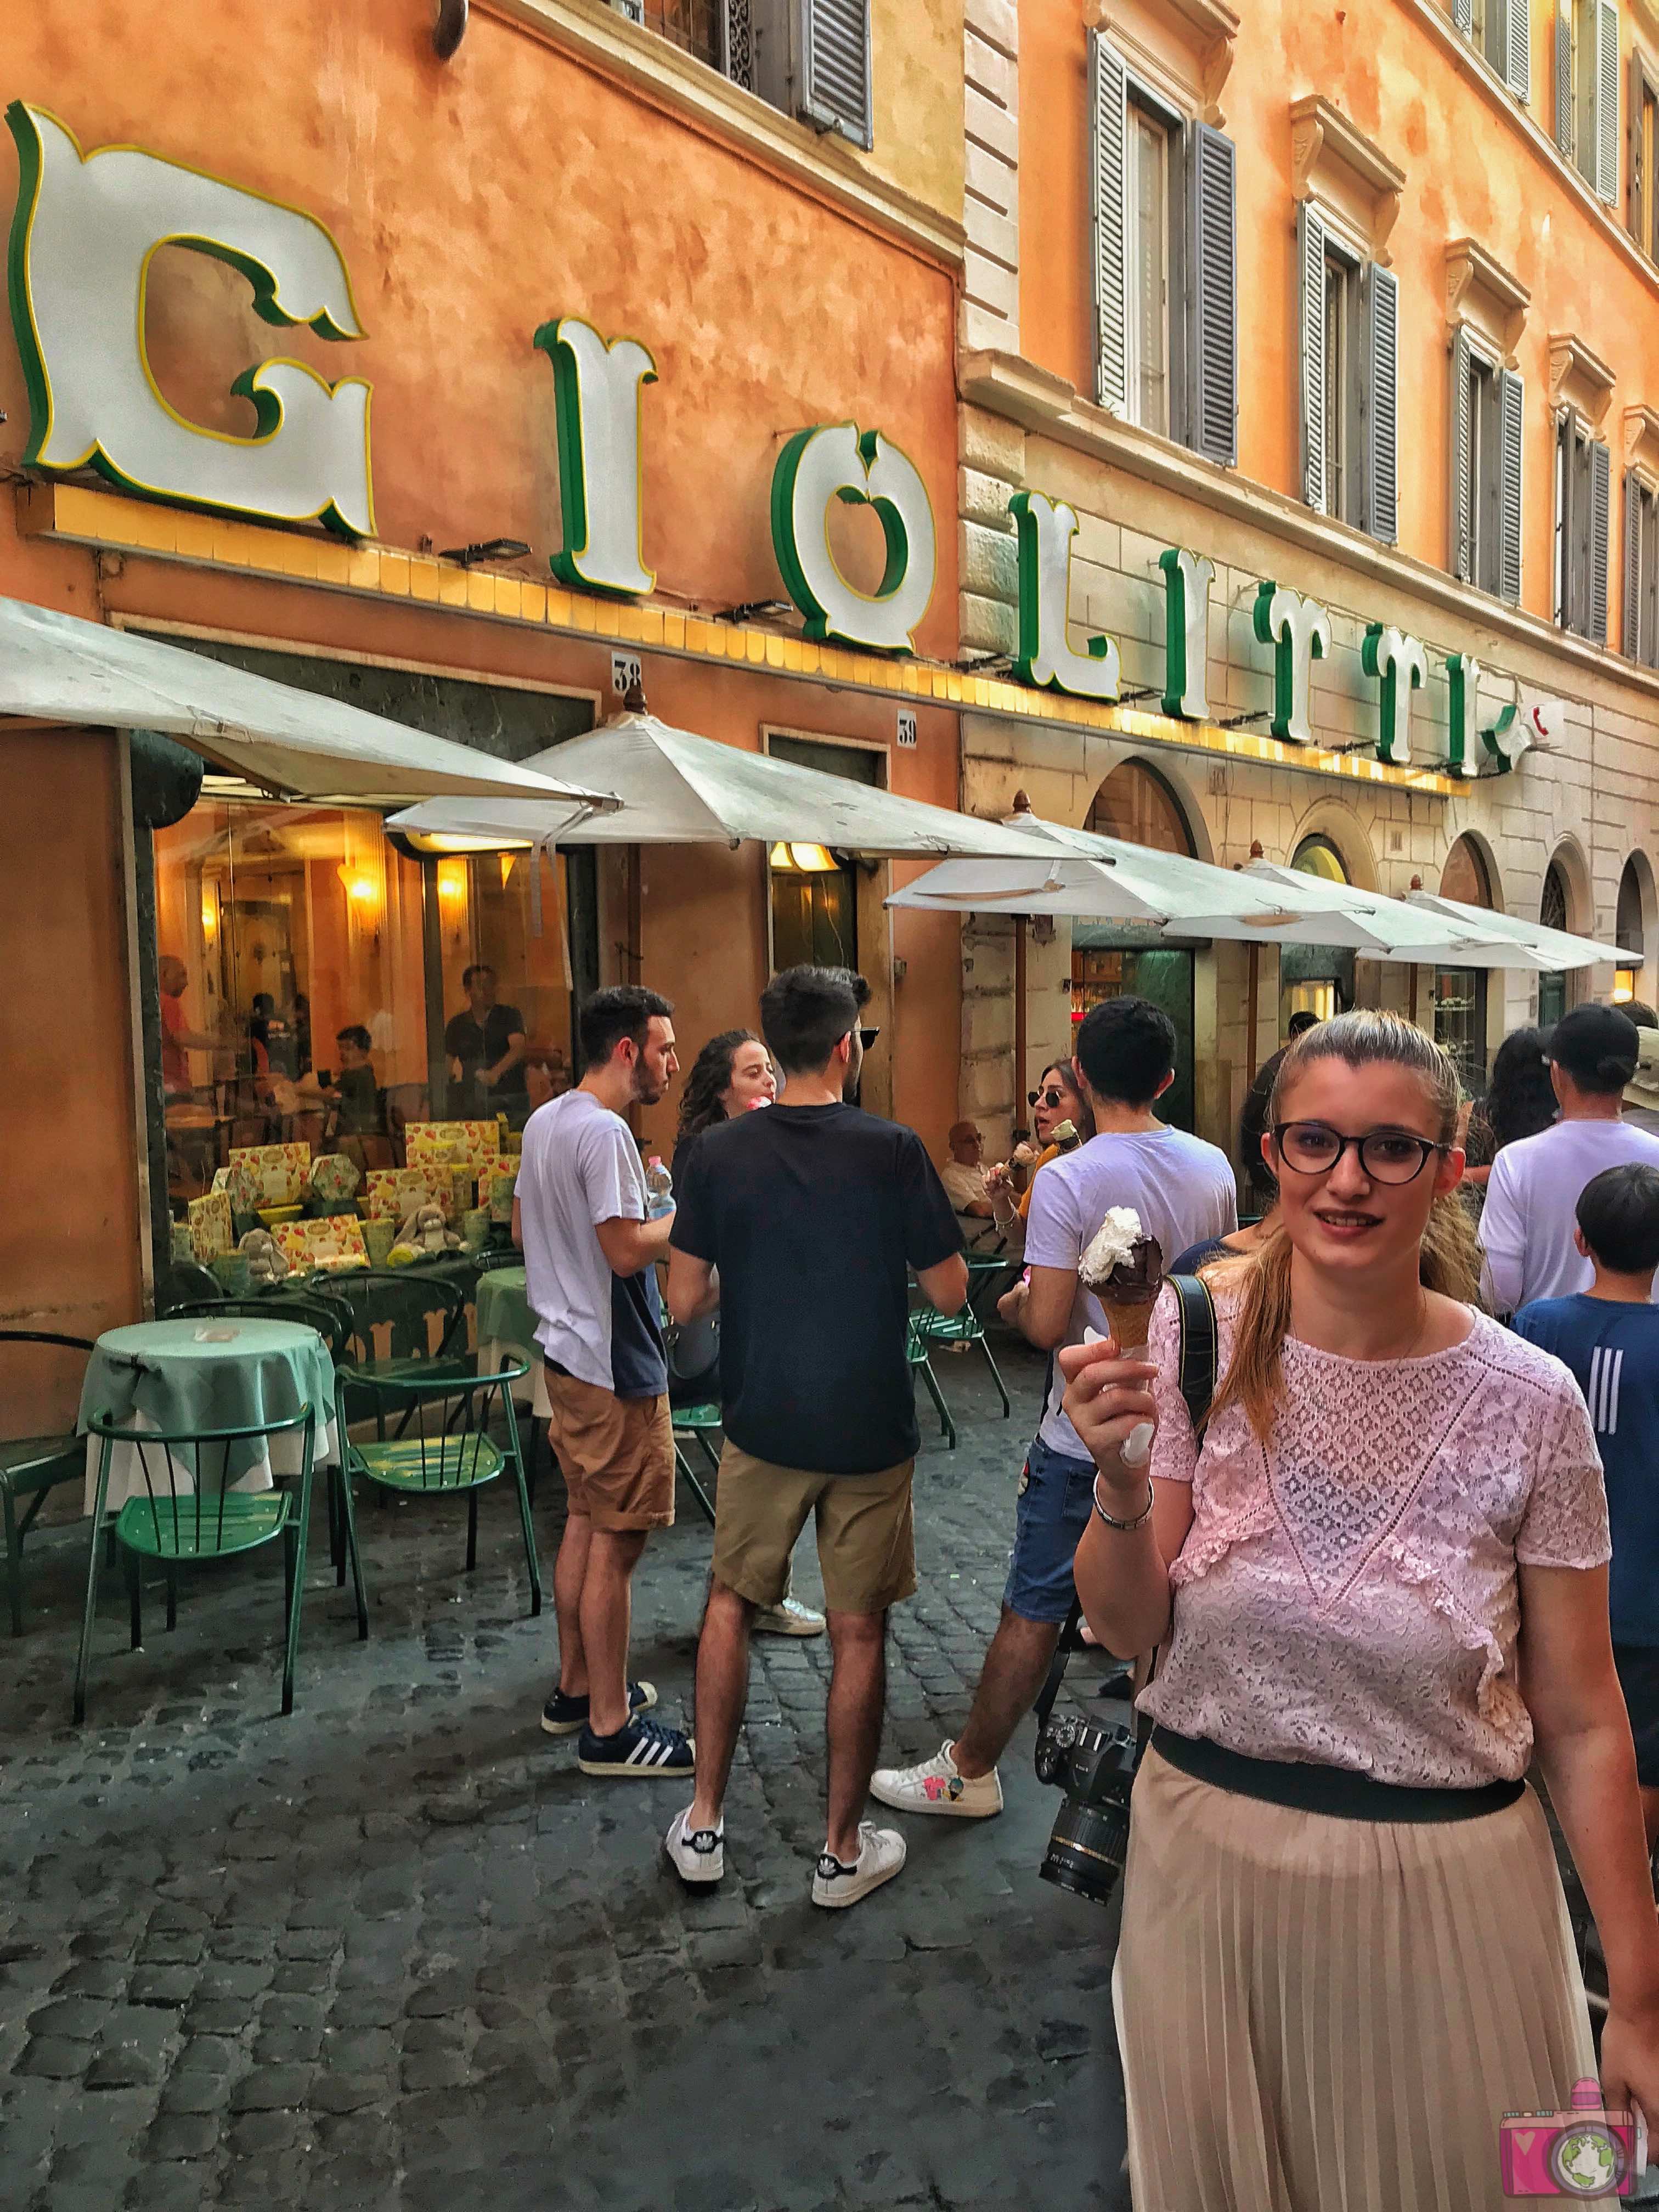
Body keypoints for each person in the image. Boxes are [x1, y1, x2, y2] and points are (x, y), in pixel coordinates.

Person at [1064, 1011, 1659, 2208]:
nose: (1347, 1178)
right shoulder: (1191, 1340)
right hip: (1204, 1885)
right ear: (1272, 1155)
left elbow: (1586, 1717)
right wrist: (1120, 1482)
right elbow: (1128, 1631)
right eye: (1314, 1142)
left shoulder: (1530, 1400)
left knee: (1501, 2186)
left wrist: (1640, 2001)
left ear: (1448, 1168)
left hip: (1454, 1903)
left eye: (1389, 1149)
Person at [870, 995, 1235, 1822]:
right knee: (1165, 1596)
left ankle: (970, 1768)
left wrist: (1011, 1307)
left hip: (1090, 1428)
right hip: (1187, 1417)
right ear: (1168, 1079)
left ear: (1079, 1076)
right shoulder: (1214, 1166)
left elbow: (1045, 1323)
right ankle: (1162, 1776)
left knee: (1034, 1603)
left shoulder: (1071, 1175)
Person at [665, 965, 967, 1904]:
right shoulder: (891, 1150)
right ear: (845, 1046)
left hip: (760, 1419)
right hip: (867, 1426)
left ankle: (704, 1820)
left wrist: (750, 1269)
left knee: (728, 1603)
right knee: (857, 1630)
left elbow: (680, 1299)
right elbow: (953, 1293)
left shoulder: (717, 1156)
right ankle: (839, 1850)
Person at [515, 984, 692, 1779]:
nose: (672, 1063)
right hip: (613, 1362)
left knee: (585, 1525)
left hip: (563, 1354)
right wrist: (691, 1216)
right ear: (627, 1050)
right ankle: (611, 1729)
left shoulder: (545, 1121)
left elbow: (526, 1227)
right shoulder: (606, 1132)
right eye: (663, 1049)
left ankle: (578, 1688)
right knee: (616, 1548)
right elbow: (625, 1251)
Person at [1517, 1163, 1659, 1849]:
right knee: (1644, 1746)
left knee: (1548, 1725)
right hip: (1646, 1586)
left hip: (1547, 1582)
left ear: (1580, 1240)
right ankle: (1623, 1891)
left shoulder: (1540, 1324)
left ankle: (1555, 1869)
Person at [669, 1030, 821, 1640]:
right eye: (754, 1072)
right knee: (759, 1471)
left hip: (768, 1328)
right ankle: (737, 1604)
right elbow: (693, 1281)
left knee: (772, 1469)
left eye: (770, 1070)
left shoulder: (768, 1142)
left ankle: (751, 1596)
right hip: (727, 1333)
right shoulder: (705, 1155)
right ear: (721, 1087)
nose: (769, 1081)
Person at [1481, 1004, 1659, 1313]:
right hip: (1647, 1353)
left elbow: (1499, 1292)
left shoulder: (1517, 1162)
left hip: (1542, 1348)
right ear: (1629, 1076)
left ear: (1556, 1071)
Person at [1460, 1024, 1558, 1207]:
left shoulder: (1471, 1113)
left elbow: (1455, 1169)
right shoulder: (1556, 1121)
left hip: (1480, 1217)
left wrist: (1474, 1176)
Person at [445, 963, 528, 1121]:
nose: (489, 991)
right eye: (482, 986)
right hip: (473, 1103)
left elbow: (518, 1047)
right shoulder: (457, 1025)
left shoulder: (509, 1015)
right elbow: (446, 1064)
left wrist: (495, 1073)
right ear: (467, 991)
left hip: (509, 1099)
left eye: (492, 985)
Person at [157, 954, 221, 1097]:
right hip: (173, 1086)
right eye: (181, 975)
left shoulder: (154, 1003)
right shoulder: (168, 1003)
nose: (186, 983)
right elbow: (182, 1037)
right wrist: (220, 1043)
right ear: (165, 974)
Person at [327, 1024, 382, 1137]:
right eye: (340, 1048)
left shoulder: (355, 1074)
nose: (342, 1053)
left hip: (353, 1134)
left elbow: (328, 1094)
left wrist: (299, 1091)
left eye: (348, 1048)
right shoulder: (366, 1073)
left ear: (363, 1052)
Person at [940, 1122, 995, 1219]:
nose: (977, 1145)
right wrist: (1008, 1208)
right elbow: (980, 1210)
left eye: (979, 1138)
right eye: (970, 1141)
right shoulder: (951, 1176)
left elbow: (1008, 1195)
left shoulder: (982, 1168)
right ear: (954, 1147)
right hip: (984, 1230)